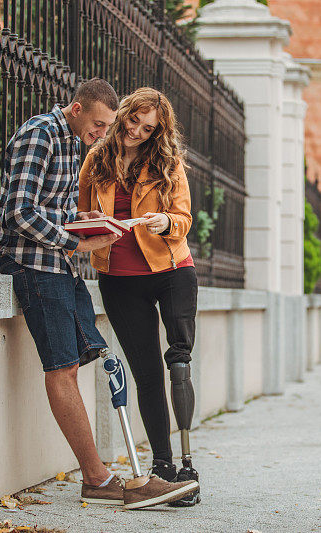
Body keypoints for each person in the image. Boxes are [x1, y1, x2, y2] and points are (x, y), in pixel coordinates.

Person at [0, 78, 198, 510]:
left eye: (111, 126)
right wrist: (76, 239)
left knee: (95, 358)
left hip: (67, 266)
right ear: (77, 108)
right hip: (39, 263)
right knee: (65, 367)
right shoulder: (46, 135)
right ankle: (101, 478)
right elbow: (18, 210)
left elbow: (60, 208)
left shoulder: (72, 142)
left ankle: (134, 473)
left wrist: (86, 221)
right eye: (106, 123)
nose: (108, 133)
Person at [77, 87, 201, 506]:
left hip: (171, 271)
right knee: (146, 373)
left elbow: (184, 218)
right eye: (132, 120)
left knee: (177, 363)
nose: (135, 131)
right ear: (123, 114)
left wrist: (164, 220)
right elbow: (79, 215)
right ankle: (164, 468)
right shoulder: (96, 160)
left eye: (147, 128)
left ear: (157, 131)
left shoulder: (167, 162)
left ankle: (188, 462)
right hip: (120, 278)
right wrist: (93, 223)